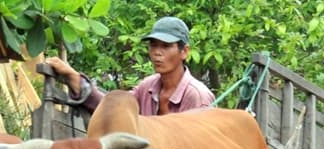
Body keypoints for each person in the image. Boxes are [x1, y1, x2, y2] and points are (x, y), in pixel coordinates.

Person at [46, 16, 215, 115]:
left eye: (165, 46)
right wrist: (74, 78)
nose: (157, 52)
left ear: (184, 51)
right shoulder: (148, 87)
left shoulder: (197, 97)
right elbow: (115, 108)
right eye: (153, 45)